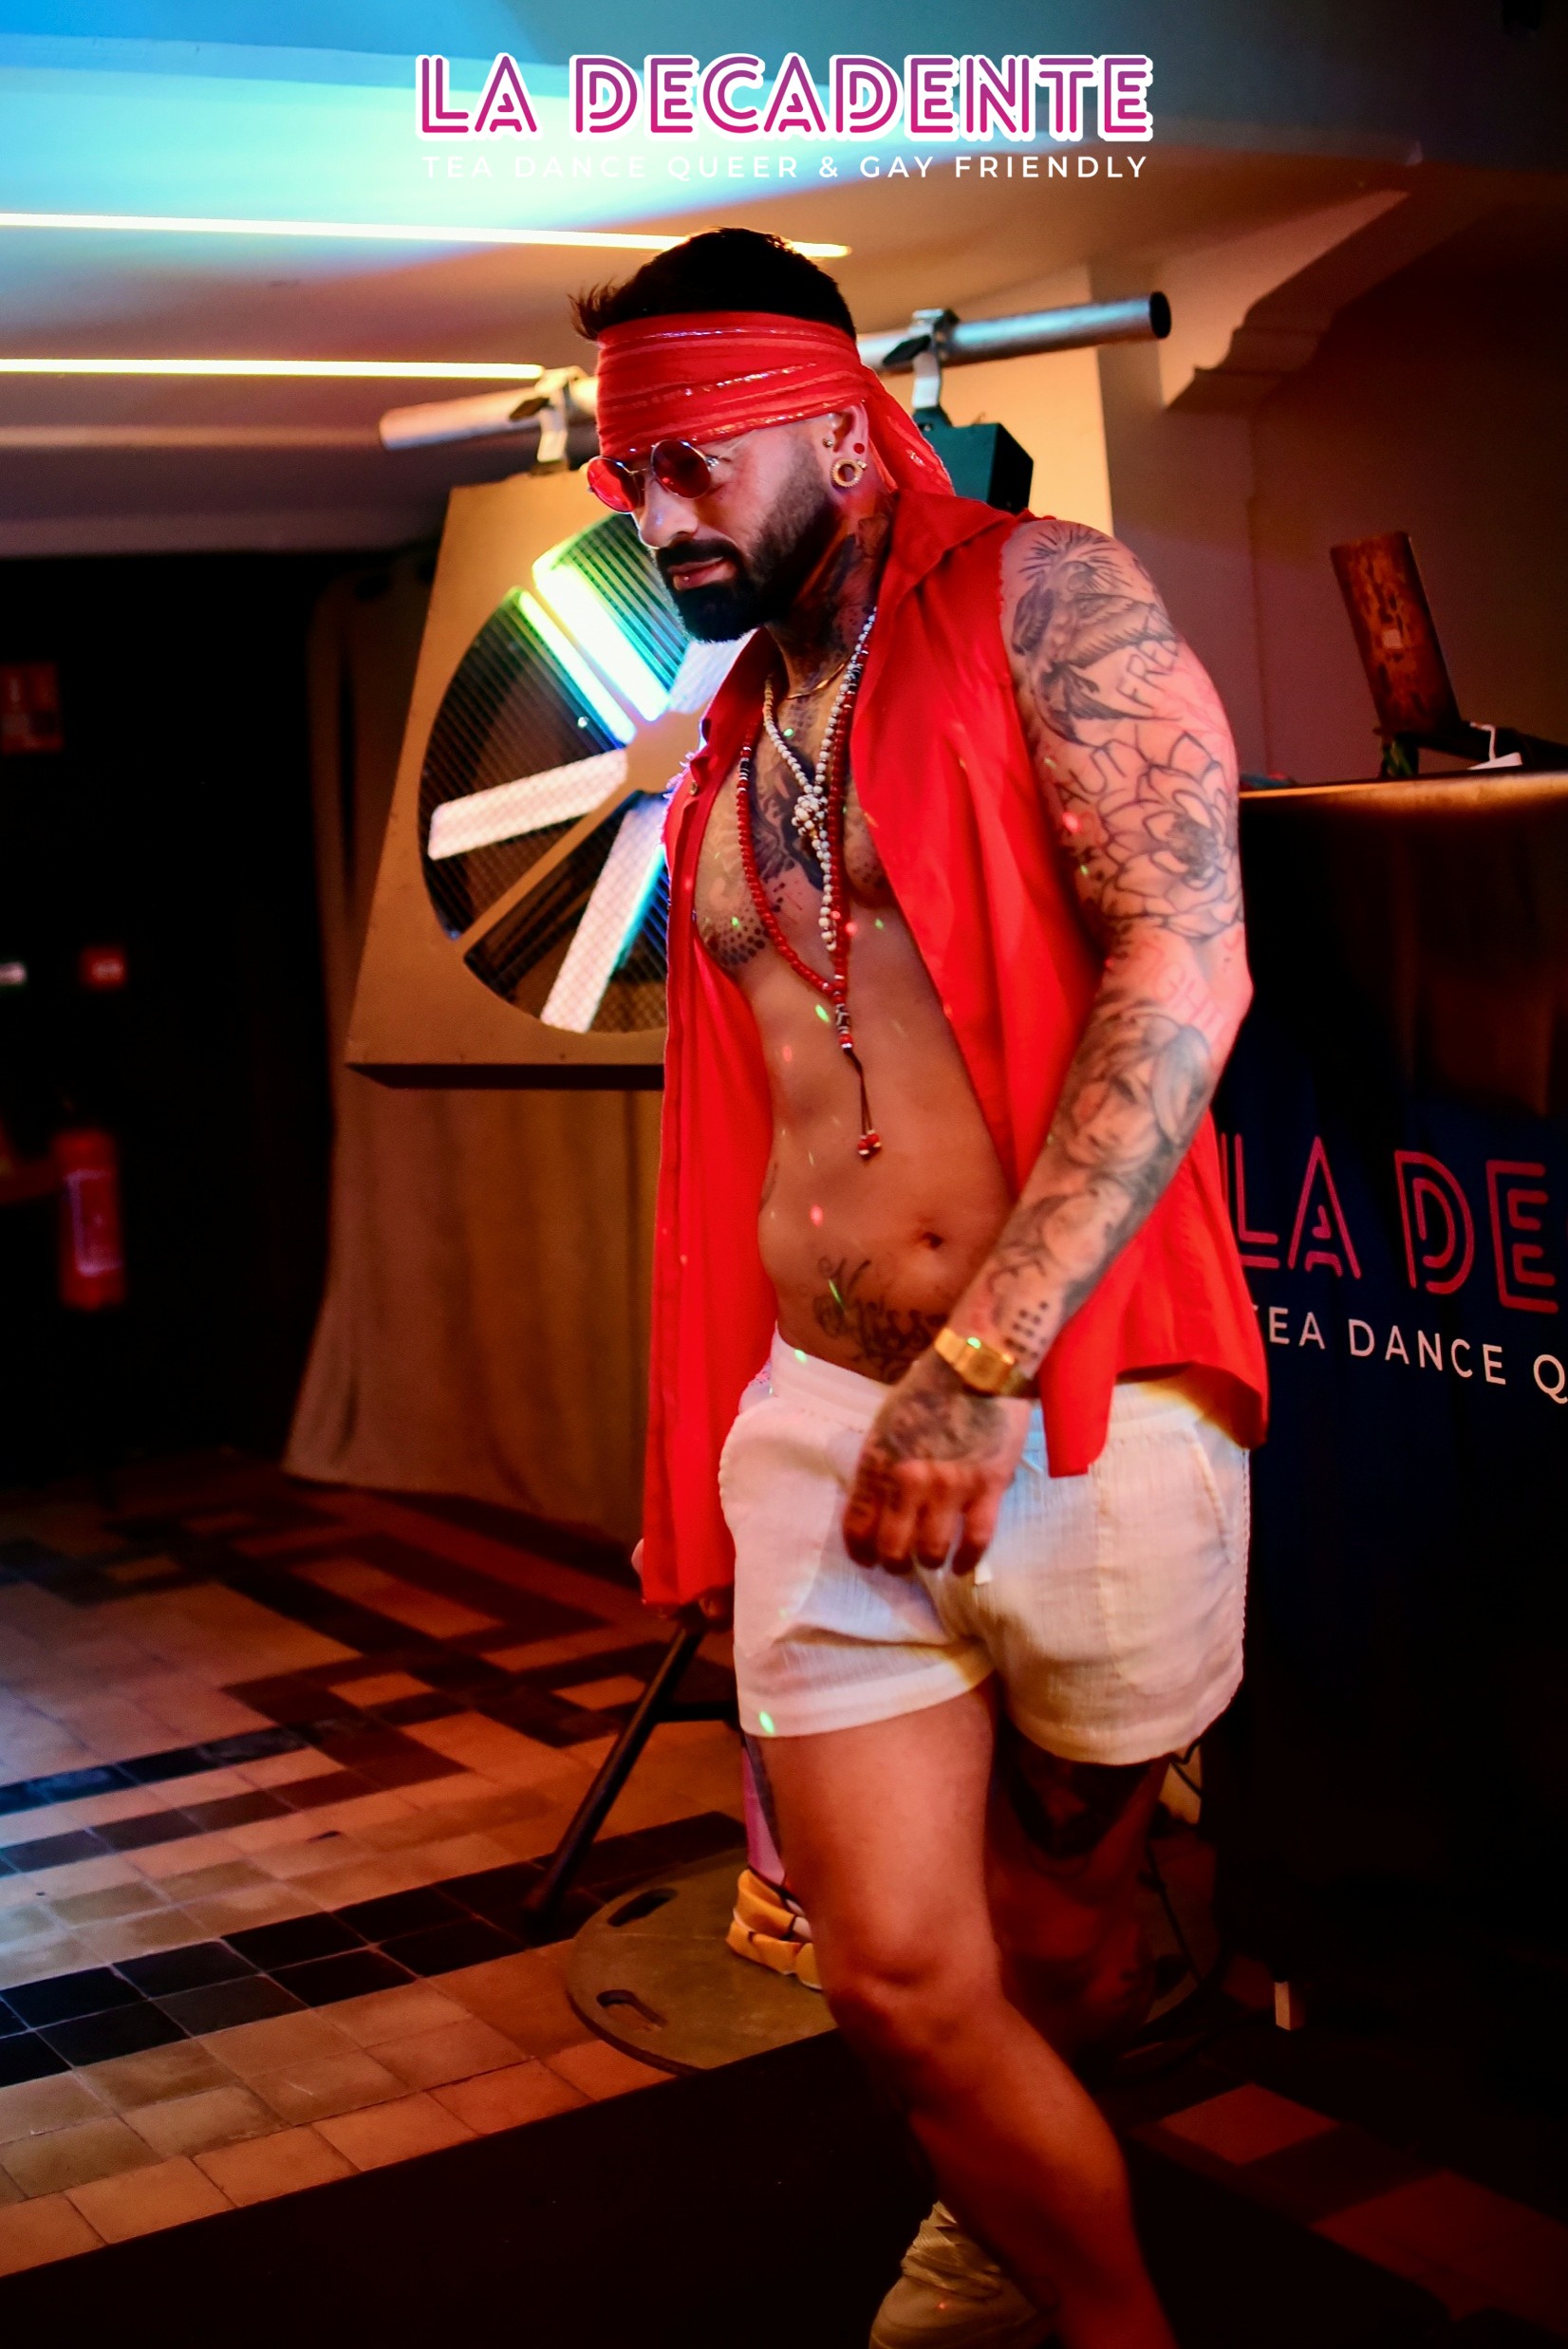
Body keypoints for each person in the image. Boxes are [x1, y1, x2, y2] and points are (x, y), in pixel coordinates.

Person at [577, 230, 1266, 2349]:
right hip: (817, 1411)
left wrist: (987, 1356)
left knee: (1065, 1947)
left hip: (1064, 1394)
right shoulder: (733, 725)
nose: (656, 519)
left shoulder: (1051, 604)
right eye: (626, 478)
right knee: (888, 1973)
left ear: (835, 423)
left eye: (692, 464)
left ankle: (1000, 2225)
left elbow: (1184, 962)